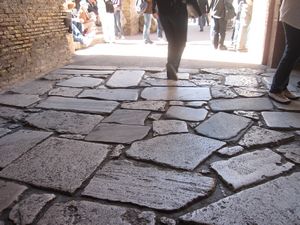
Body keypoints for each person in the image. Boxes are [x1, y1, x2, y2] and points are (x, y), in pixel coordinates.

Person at [153, 0, 201, 80]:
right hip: (178, 11)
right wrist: (197, 10)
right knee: (181, 42)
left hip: (163, 12)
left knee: (172, 42)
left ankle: (171, 69)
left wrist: (153, 9)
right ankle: (173, 65)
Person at [268, 0, 300, 104]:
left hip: (295, 16)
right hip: (293, 17)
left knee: (293, 53)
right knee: (291, 53)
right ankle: (275, 89)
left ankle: (282, 87)